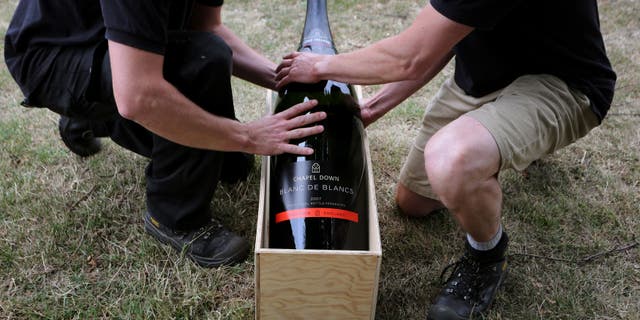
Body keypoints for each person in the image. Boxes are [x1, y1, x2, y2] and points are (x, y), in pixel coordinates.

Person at [275, 0, 616, 319]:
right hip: (483, 81)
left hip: (561, 83)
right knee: (414, 202)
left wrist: (320, 64)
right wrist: (372, 108)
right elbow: (441, 37)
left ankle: (487, 256)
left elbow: (411, 57)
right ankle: (491, 145)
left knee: (451, 162)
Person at [4, 0, 327, 268]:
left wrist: (284, 82)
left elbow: (207, 27)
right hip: (54, 54)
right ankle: (174, 217)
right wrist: (246, 136)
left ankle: (98, 114)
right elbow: (140, 97)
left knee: (233, 165)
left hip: (116, 49)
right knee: (201, 60)